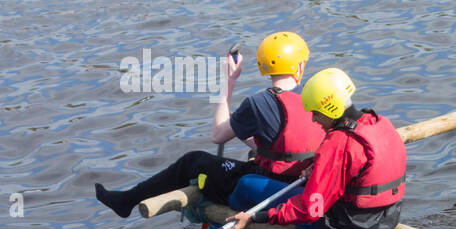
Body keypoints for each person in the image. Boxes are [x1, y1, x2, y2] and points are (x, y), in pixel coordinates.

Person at [94, 32, 323, 216]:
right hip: (300, 182)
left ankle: (126, 201)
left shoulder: (259, 102)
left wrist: (229, 81)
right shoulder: (317, 98)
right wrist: (240, 125)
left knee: (192, 161)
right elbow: (285, 148)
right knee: (251, 157)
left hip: (269, 184)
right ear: (300, 66)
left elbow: (218, 135)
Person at [226, 67, 405, 229]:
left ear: (330, 109)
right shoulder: (378, 122)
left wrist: (259, 217)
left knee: (247, 183)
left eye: (316, 113)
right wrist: (319, 168)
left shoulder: (337, 142)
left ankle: (233, 217)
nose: (314, 120)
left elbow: (311, 210)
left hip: (346, 228)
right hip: (387, 218)